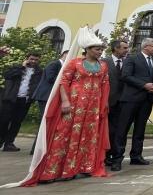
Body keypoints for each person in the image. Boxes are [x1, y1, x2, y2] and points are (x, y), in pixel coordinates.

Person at [20, 26, 110, 186]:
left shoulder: (103, 65)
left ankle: (83, 167)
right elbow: (64, 81)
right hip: (75, 103)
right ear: (87, 49)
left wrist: (104, 103)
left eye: (101, 49)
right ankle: (56, 169)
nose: (100, 52)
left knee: (88, 134)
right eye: (97, 49)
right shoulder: (75, 63)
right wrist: (65, 100)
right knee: (65, 134)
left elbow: (105, 84)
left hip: (93, 106)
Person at [112, 38, 153, 172]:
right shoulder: (132, 59)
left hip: (147, 99)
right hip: (131, 99)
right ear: (145, 47)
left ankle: (136, 155)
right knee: (123, 129)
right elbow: (126, 76)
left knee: (140, 130)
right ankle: (117, 158)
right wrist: (144, 85)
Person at [0, 52, 43, 152]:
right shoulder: (17, 67)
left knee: (17, 122)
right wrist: (21, 68)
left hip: (25, 100)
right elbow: (7, 75)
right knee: (3, 120)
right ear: (27, 58)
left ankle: (9, 143)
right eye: (31, 59)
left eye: (36, 60)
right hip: (10, 98)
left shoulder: (39, 71)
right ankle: (1, 138)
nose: (33, 61)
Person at [30, 50, 69, 155]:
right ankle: (37, 148)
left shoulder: (61, 66)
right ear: (64, 55)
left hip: (52, 97)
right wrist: (66, 80)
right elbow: (51, 78)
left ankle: (42, 147)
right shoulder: (54, 64)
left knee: (48, 121)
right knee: (45, 120)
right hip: (45, 96)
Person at [101, 40, 128, 166]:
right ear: (116, 48)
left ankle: (116, 154)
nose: (127, 50)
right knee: (107, 130)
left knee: (118, 129)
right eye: (124, 48)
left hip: (123, 101)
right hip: (108, 101)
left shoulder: (128, 62)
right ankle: (105, 155)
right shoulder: (104, 62)